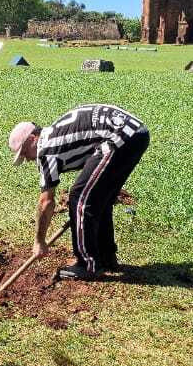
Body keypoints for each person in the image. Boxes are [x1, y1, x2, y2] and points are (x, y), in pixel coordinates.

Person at [8, 105, 150, 280]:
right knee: (98, 199)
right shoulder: (57, 133)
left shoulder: (45, 150)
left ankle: (87, 264)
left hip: (120, 137)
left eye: (24, 153)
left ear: (33, 138)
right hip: (137, 133)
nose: (27, 159)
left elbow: (46, 202)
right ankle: (106, 257)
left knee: (78, 196)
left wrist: (39, 241)